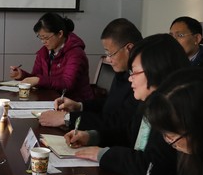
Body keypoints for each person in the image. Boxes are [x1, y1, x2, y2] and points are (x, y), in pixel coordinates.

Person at [66, 34, 188, 175]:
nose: (130, 79)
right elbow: (128, 134)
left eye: (134, 72)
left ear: (156, 70)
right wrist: (92, 136)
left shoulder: (175, 112)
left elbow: (154, 165)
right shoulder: (147, 102)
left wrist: (105, 154)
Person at [40, 18, 142, 148]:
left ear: (129, 48)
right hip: (106, 139)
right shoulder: (125, 70)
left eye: (111, 53)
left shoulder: (142, 79)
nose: (108, 59)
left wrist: (67, 118)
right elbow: (111, 105)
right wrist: (79, 106)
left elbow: (120, 122)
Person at [8, 12, 93, 102]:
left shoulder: (76, 54)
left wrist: (38, 80)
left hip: (75, 103)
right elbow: (37, 77)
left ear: (60, 34)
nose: (43, 42)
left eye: (46, 38)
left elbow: (67, 84)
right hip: (52, 100)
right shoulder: (44, 52)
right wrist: (22, 75)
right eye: (41, 38)